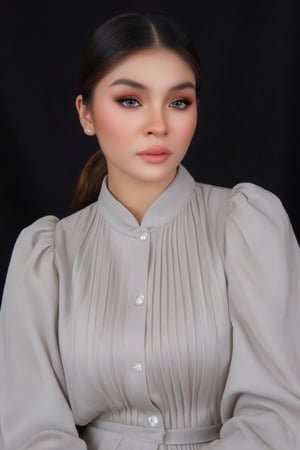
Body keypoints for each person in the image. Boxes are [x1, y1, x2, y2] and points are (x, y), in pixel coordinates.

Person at [0, 10, 300, 450]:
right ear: (86, 114)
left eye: (179, 102)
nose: (159, 124)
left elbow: (278, 412)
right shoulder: (47, 255)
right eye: (130, 100)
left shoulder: (249, 227)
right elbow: (31, 427)